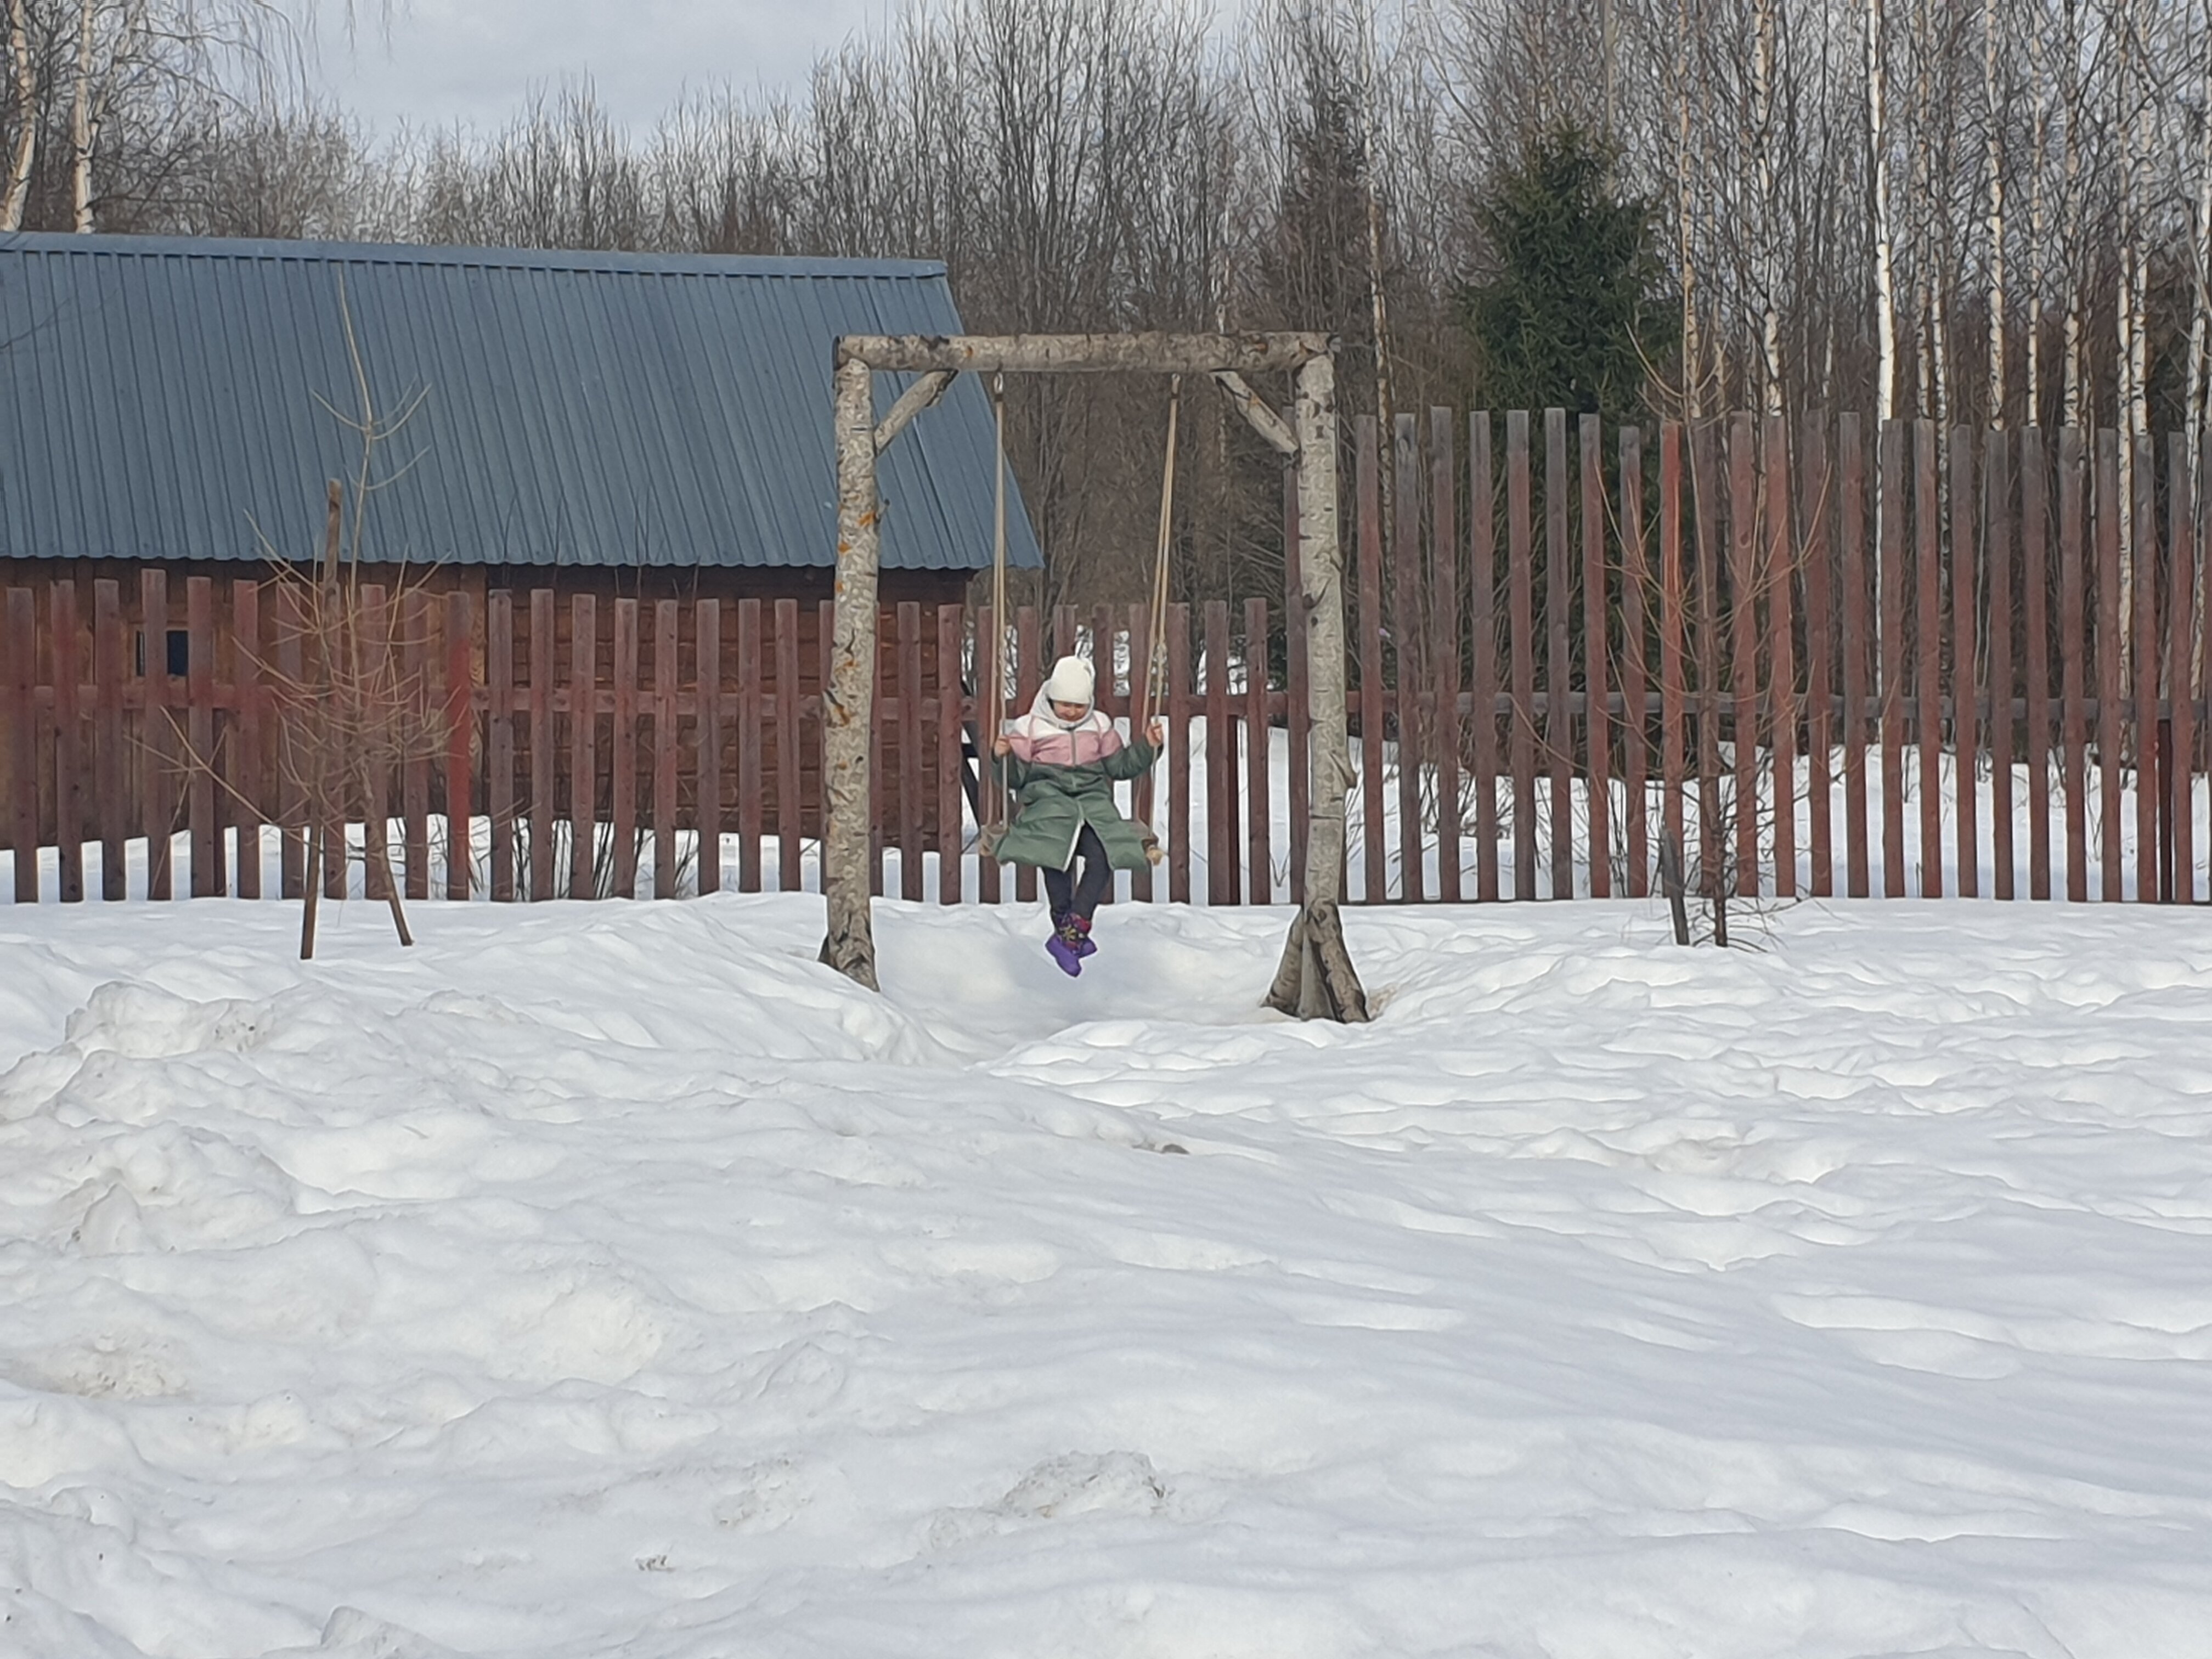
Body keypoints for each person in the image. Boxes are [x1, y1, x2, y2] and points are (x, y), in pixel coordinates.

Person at [991, 654, 1164, 977]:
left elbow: (1120, 766)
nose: (1072, 711)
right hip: (1048, 804)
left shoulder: (1099, 725)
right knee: (1055, 854)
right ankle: (1068, 934)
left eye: (1079, 706)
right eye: (1065, 704)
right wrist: (1001, 758)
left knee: (1103, 857)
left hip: (1092, 804)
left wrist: (1147, 747)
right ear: (1051, 698)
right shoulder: (1029, 727)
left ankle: (1071, 933)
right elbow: (1014, 779)